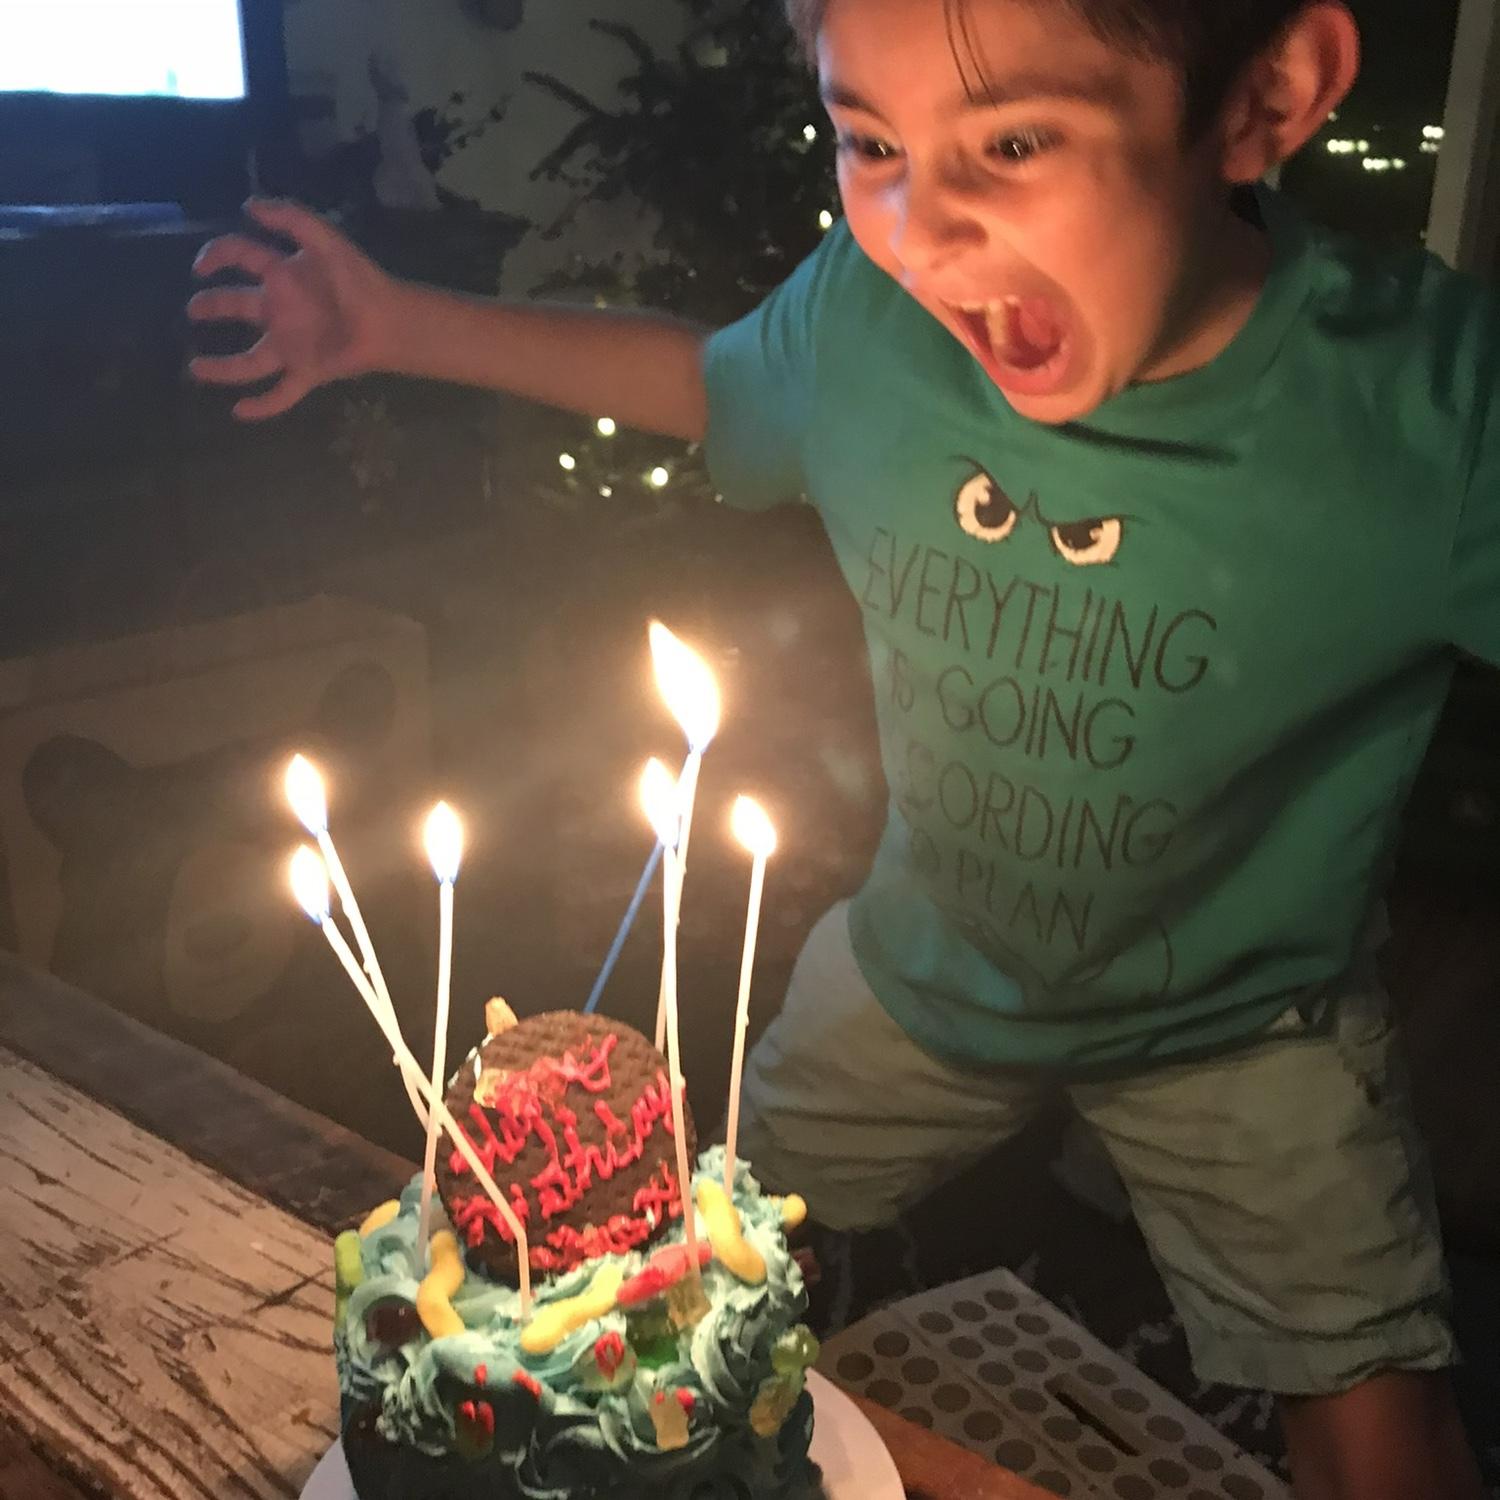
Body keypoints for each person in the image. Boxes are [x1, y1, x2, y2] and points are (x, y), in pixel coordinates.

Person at [189, 1, 1494, 1494]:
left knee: (1377, 1422)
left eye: (1014, 140)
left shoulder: (1423, 410)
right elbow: (709, 384)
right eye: (871, 140)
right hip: (923, 974)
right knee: (676, 1297)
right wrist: (393, 325)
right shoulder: (869, 327)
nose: (919, 231)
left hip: (1246, 1021)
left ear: (1267, 96)